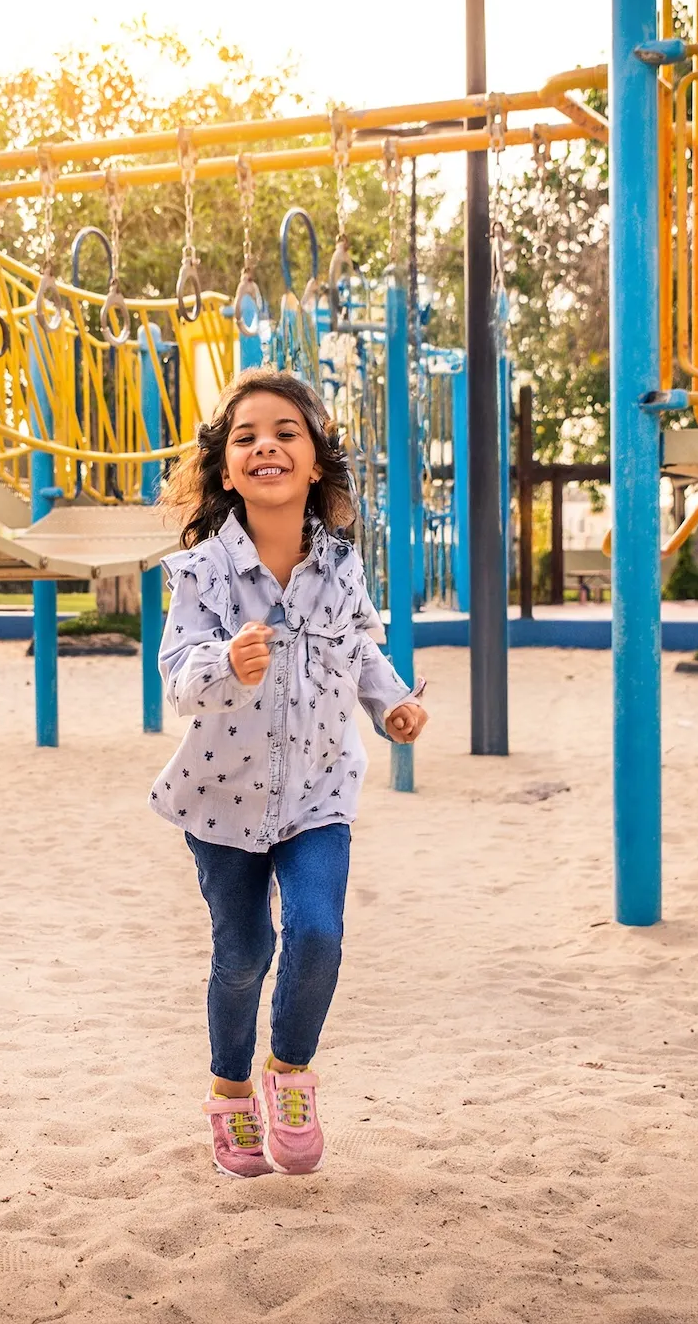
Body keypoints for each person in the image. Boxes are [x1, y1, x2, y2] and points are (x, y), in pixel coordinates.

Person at [151, 369, 428, 1178]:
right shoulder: (201, 572)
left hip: (319, 787)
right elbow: (176, 675)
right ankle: (230, 1088)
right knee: (242, 952)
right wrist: (225, 660)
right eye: (245, 437)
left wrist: (394, 704)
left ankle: (289, 1072)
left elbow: (362, 648)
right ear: (226, 469)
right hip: (220, 797)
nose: (265, 444)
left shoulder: (341, 564)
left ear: (315, 463)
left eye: (286, 433)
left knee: (318, 930)